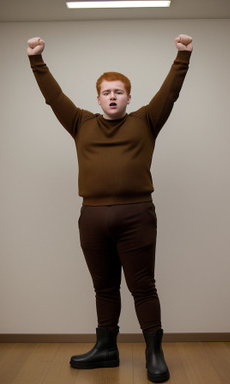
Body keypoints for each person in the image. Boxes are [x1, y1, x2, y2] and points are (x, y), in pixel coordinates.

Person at [27, 33, 193, 383]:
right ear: (98, 98)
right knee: (104, 288)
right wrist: (37, 61)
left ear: (129, 98)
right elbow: (53, 97)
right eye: (107, 91)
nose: (113, 96)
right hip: (92, 218)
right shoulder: (80, 123)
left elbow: (170, 93)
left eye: (119, 91)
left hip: (137, 216)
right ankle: (106, 349)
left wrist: (182, 56)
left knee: (143, 286)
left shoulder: (146, 120)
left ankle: (154, 352)